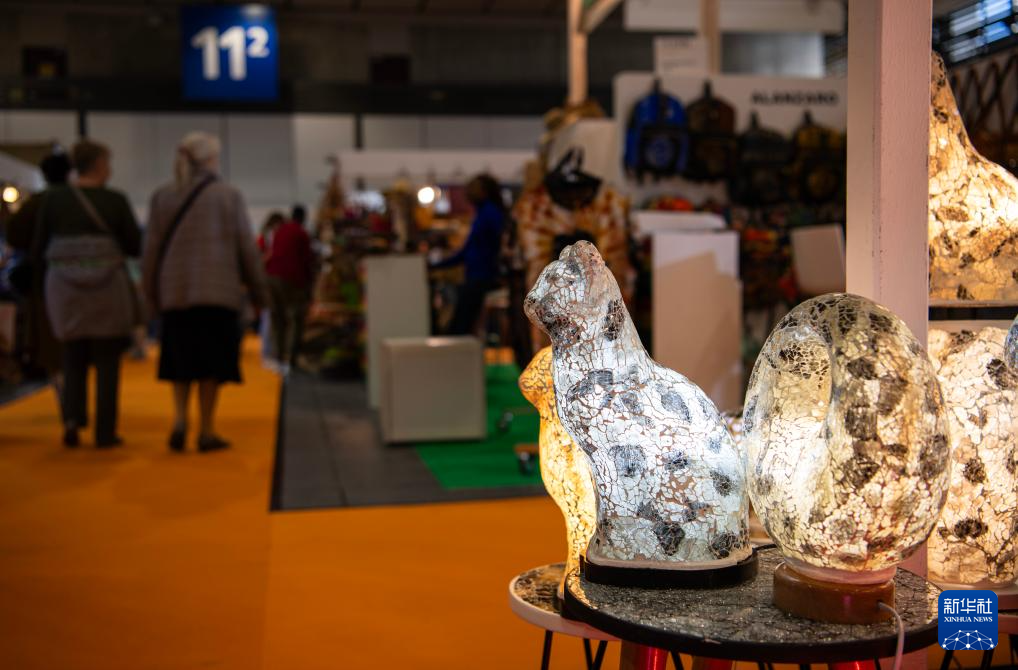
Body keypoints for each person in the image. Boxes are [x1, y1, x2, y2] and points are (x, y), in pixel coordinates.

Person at [142, 132, 268, 453]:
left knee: (180, 361)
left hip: (174, 293)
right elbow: (246, 248)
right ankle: (207, 429)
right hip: (217, 292)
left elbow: (151, 251)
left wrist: (150, 294)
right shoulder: (229, 195)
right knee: (211, 365)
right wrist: (259, 291)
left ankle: (180, 419)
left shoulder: (162, 196)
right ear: (211, 159)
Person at [40, 141, 142, 447]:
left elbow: (38, 244)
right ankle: (105, 431)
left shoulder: (55, 199)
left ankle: (72, 420)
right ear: (98, 164)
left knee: (73, 355)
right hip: (107, 288)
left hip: (65, 289)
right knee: (108, 360)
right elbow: (134, 245)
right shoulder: (114, 200)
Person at [5, 151, 73, 413]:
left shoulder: (36, 203)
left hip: (44, 283)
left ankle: (65, 400)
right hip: (77, 284)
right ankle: (74, 400)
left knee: (50, 344)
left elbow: (13, 235)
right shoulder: (75, 200)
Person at [430, 174, 507, 335]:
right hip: (477, 275)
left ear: (484, 191)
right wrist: (439, 265)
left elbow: (488, 247)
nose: (468, 192)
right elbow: (468, 251)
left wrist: (439, 265)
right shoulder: (483, 213)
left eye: (473, 188)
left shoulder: (489, 213)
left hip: (481, 276)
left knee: (461, 324)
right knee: (462, 321)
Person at [265, 204, 313, 369]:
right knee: (294, 318)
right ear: (303, 218)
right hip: (291, 278)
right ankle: (291, 357)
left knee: (277, 318)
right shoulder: (301, 233)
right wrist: (309, 285)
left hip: (272, 277)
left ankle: (278, 355)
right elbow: (306, 261)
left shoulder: (280, 230)